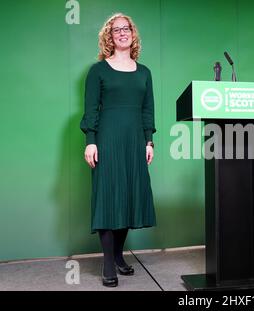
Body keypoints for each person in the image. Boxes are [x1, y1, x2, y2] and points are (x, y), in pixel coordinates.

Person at [80, 13, 157, 287]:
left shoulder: (145, 72)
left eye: (126, 29)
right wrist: (91, 140)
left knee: (128, 197)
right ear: (109, 37)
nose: (122, 33)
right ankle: (109, 263)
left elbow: (148, 110)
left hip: (135, 141)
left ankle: (119, 255)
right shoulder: (97, 71)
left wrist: (149, 141)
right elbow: (90, 109)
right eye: (116, 30)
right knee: (108, 198)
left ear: (133, 34)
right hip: (107, 140)